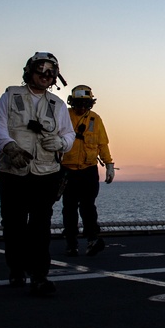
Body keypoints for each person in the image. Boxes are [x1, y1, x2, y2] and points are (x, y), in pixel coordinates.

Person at [0, 52, 75, 296]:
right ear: (30, 71)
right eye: (41, 70)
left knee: (40, 225)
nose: (45, 75)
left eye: (50, 72)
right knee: (13, 224)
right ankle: (16, 269)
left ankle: (40, 276)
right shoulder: (10, 96)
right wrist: (9, 147)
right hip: (13, 171)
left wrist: (61, 144)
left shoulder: (57, 105)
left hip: (46, 172)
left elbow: (68, 134)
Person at [61, 84, 115, 257]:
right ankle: (71, 243)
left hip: (88, 170)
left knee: (88, 207)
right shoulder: (64, 116)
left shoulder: (95, 119)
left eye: (85, 104)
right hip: (67, 170)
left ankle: (92, 239)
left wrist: (109, 165)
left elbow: (102, 144)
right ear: (72, 102)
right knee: (69, 208)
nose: (81, 107)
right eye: (78, 103)